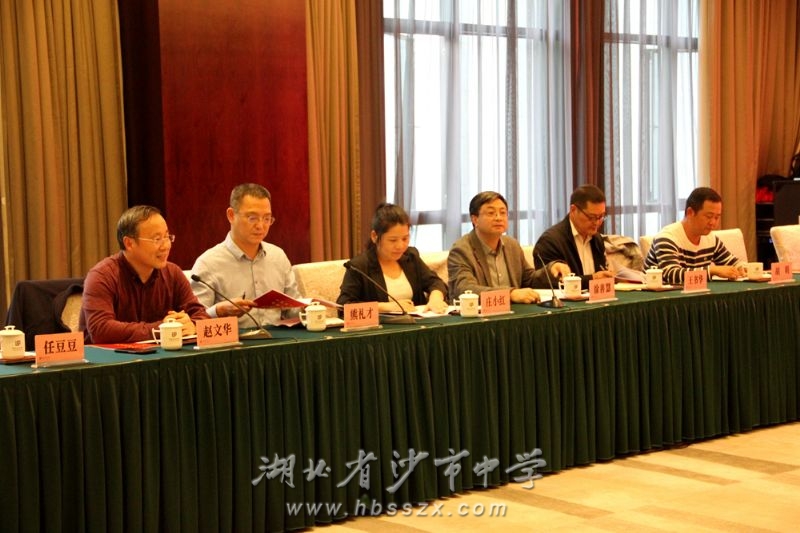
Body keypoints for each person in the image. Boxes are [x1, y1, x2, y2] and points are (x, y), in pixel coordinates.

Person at [80, 205, 209, 344]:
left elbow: (202, 316)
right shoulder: (101, 276)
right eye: (157, 239)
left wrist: (192, 325)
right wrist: (162, 329)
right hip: (108, 357)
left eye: (167, 237)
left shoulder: (173, 273)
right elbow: (101, 330)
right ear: (129, 243)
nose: (166, 246)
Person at [191, 183, 302, 328]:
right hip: (234, 340)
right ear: (231, 215)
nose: (260, 226)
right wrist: (218, 311)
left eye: (267, 219)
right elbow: (195, 319)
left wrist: (310, 308)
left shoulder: (278, 256)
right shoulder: (208, 263)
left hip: (278, 338)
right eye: (252, 218)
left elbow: (292, 311)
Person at [447, 191, 570, 303]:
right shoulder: (461, 250)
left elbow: (529, 280)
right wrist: (509, 294)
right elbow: (465, 289)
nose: (498, 218)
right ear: (475, 219)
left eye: (503, 213)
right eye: (491, 213)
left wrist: (551, 270)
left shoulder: (512, 245)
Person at [337, 203, 449, 314]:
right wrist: (385, 307)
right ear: (374, 236)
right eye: (393, 240)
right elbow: (343, 307)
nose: (400, 246)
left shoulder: (410, 257)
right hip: (380, 325)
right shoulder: (359, 266)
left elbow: (435, 282)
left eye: (405, 239)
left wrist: (435, 298)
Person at [644, 187, 744, 285]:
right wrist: (711, 270)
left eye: (717, 217)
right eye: (709, 216)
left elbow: (733, 263)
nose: (713, 223)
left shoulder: (711, 239)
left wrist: (742, 268)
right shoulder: (667, 238)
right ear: (690, 212)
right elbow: (672, 275)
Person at [533, 184, 615, 289]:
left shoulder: (597, 239)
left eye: (601, 216)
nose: (597, 222)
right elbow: (553, 284)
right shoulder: (550, 241)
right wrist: (592, 279)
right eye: (591, 217)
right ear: (573, 210)